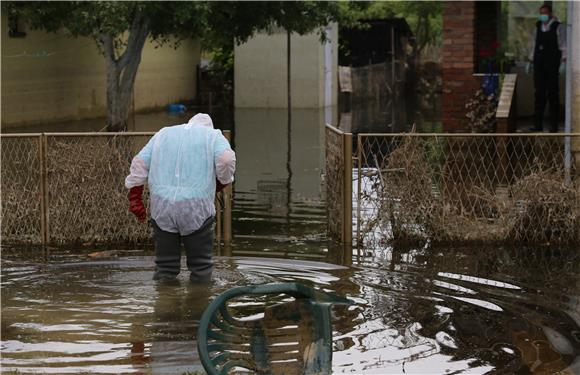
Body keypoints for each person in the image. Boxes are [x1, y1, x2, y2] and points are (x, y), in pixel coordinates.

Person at [125, 113, 235, 282]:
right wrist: (222, 181)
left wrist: (135, 199)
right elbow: (226, 160)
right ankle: (200, 305)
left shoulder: (163, 133)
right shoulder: (213, 136)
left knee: (165, 268)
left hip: (162, 207)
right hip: (196, 208)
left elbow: (139, 162)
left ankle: (164, 304)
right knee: (201, 268)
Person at [527, 3, 567, 133]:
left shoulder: (558, 27)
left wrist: (564, 62)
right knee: (539, 94)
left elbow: (563, 45)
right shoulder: (538, 26)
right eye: (541, 13)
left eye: (545, 13)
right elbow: (533, 43)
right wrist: (530, 60)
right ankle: (538, 125)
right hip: (539, 65)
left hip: (552, 65)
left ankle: (553, 126)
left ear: (550, 13)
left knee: (552, 95)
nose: (543, 16)